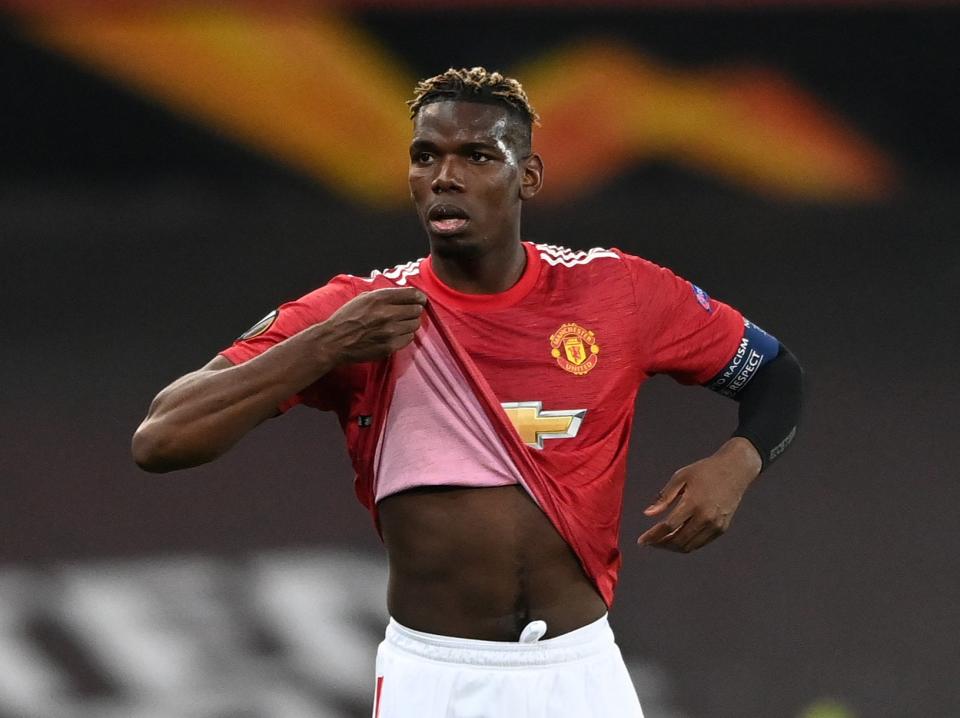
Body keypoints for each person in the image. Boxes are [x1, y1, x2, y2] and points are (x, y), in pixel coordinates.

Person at [133, 67, 803, 718]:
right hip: (437, 677)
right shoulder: (361, 310)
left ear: (528, 177)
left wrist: (737, 463)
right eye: (426, 157)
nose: (445, 177)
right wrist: (325, 345)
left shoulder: (616, 291)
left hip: (581, 669)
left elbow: (777, 375)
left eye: (477, 156)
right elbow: (161, 439)